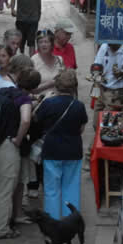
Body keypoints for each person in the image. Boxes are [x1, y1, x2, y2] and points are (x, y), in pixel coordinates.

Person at [0, 68, 41, 238]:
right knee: (6, 188)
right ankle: (2, 229)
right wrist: (18, 139)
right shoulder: (24, 99)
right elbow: (25, 120)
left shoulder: (4, 91)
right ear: (34, 87)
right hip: (7, 146)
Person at [35, 70, 88, 220]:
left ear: (56, 86)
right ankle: (70, 220)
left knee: (51, 189)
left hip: (52, 150)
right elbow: (81, 129)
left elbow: (37, 120)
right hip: (73, 150)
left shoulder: (48, 104)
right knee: (71, 187)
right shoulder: (79, 106)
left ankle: (52, 221)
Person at [92, 43, 123, 129]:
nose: (110, 46)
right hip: (101, 89)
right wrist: (96, 84)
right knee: (95, 123)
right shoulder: (104, 47)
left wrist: (122, 73)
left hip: (115, 93)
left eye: (112, 44)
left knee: (105, 125)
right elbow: (96, 66)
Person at [31, 30, 66, 102]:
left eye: (46, 42)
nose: (43, 45)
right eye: (40, 42)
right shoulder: (33, 61)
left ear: (52, 44)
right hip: (41, 102)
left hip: (59, 101)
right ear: (38, 45)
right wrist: (50, 84)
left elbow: (66, 83)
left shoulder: (59, 60)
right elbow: (30, 90)